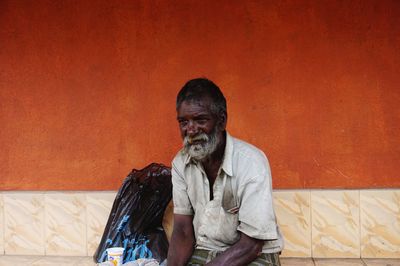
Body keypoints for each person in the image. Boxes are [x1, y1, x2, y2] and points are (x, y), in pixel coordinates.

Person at [167, 78, 283, 266]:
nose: (191, 130)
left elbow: (252, 244)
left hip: (252, 254)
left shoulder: (251, 162)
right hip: (205, 249)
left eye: (200, 120)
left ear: (221, 120)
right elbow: (183, 230)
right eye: (183, 122)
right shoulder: (181, 163)